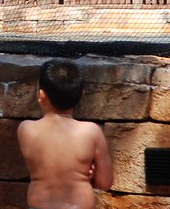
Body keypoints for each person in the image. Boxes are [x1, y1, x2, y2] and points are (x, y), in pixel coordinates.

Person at [18, 58, 113, 209]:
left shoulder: (26, 129)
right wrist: (88, 173)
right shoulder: (91, 131)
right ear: (81, 93)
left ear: (41, 95)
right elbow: (105, 183)